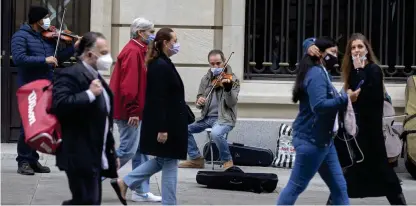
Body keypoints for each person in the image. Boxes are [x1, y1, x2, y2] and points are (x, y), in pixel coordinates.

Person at [276, 37, 360, 205]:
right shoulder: (316, 74)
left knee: (339, 187)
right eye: (333, 52)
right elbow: (319, 105)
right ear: (320, 54)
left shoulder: (322, 71)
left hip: (324, 141)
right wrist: (346, 98)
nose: (336, 56)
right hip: (312, 141)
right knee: (296, 186)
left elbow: (309, 41)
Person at [110, 27, 189, 205]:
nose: (177, 45)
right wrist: (162, 128)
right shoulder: (159, 65)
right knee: (169, 162)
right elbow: (157, 100)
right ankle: (169, 203)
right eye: (174, 41)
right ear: (165, 43)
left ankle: (125, 182)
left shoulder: (163, 62)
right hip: (167, 123)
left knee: (163, 160)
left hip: (172, 122)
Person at [328, 33, 407, 205]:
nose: (356, 51)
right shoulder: (353, 73)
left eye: (360, 47)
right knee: (347, 173)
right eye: (353, 48)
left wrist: (358, 78)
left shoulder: (373, 70)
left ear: (366, 49)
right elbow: (349, 99)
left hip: (371, 133)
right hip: (356, 133)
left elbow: (373, 98)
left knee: (384, 174)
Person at [51, 32, 119, 205]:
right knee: (86, 201)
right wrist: (88, 94)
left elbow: (104, 120)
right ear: (90, 54)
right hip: (79, 153)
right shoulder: (71, 74)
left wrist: (111, 152)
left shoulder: (96, 76)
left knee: (88, 201)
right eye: (103, 53)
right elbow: (59, 105)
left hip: (96, 153)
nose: (108, 57)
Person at [11, 5, 79, 175]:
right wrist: (44, 59)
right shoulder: (20, 36)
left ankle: (33, 160)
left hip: (46, 85)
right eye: (46, 17)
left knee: (38, 125)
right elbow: (19, 59)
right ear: (37, 20)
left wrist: (73, 47)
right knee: (28, 125)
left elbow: (56, 59)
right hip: (29, 86)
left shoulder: (46, 37)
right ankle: (23, 161)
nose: (49, 21)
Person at [109, 17, 161, 202]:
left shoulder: (138, 50)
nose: (152, 35)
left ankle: (140, 191)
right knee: (128, 150)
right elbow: (129, 86)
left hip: (131, 109)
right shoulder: (133, 51)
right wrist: (133, 111)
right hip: (128, 110)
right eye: (151, 31)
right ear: (141, 33)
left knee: (140, 151)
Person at [178, 49, 240, 169]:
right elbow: (198, 101)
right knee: (182, 129)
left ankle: (227, 160)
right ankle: (196, 159)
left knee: (216, 133)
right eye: (212, 64)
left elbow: (232, 103)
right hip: (206, 118)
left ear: (224, 61)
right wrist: (199, 101)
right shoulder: (206, 79)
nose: (215, 66)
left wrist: (227, 89)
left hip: (224, 118)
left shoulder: (232, 79)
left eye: (218, 63)